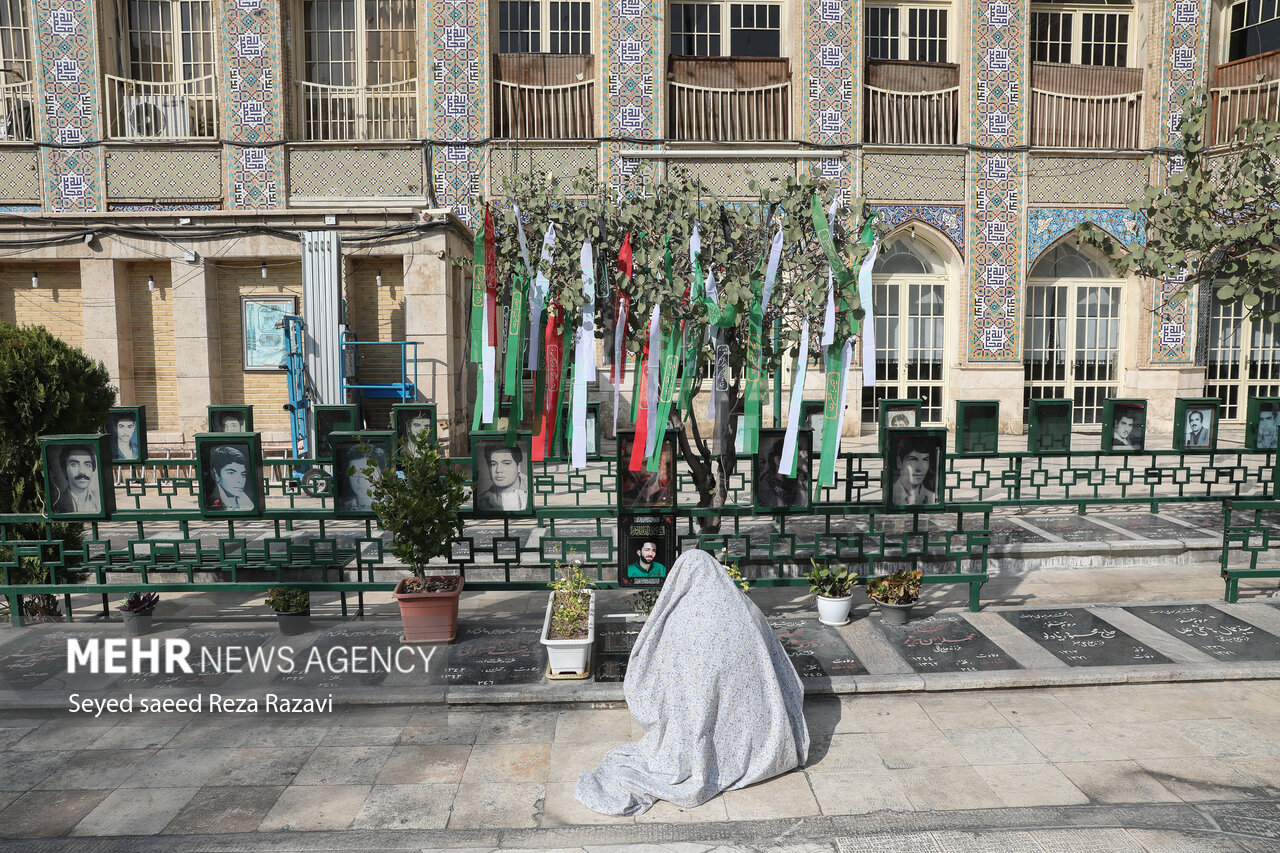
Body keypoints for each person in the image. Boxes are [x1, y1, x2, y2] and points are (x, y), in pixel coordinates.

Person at [576, 548, 809, 816]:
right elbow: (778, 664)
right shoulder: (748, 611)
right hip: (758, 725)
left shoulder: (684, 618)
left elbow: (666, 674)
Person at [475, 444, 527, 511]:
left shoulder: (529, 491)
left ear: (518, 467)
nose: (498, 470)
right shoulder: (482, 500)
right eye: (493, 464)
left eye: (506, 463)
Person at [756, 440, 807, 508]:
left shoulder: (802, 484)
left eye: (799, 459)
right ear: (777, 460)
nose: (798, 465)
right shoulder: (764, 488)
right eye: (793, 461)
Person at [621, 443, 675, 508]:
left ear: (659, 464)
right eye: (637, 466)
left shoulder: (667, 496)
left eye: (646, 463)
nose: (642, 471)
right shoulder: (627, 497)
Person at [52, 445, 101, 514]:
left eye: (87, 465)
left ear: (92, 469)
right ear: (64, 470)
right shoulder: (57, 502)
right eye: (74, 464)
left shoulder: (100, 499)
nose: (82, 471)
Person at [891, 436, 938, 506]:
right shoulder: (891, 494)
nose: (919, 468)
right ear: (899, 462)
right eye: (912, 459)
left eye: (925, 459)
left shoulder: (933, 497)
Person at [340, 445, 388, 512]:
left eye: (366, 472)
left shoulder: (390, 506)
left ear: (382, 474)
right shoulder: (346, 507)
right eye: (354, 473)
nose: (359, 481)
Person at [206, 445, 255, 511]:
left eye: (243, 474)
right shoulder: (211, 501)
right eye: (231, 473)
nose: (240, 480)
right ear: (216, 475)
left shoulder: (246, 501)